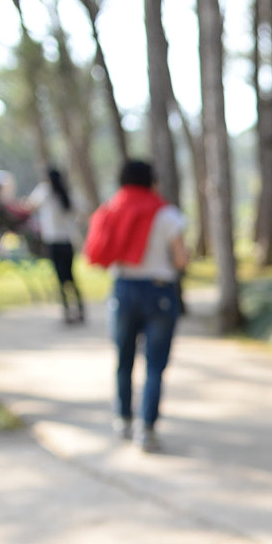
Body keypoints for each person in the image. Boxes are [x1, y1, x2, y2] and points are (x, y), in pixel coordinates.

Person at [83, 159, 188, 454]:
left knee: (124, 359)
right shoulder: (165, 213)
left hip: (124, 288)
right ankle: (148, 429)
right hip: (159, 291)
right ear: (151, 180)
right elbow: (180, 260)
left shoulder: (112, 208)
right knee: (155, 365)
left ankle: (123, 420)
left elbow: (98, 252)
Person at [27, 167, 85, 324]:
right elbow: (81, 209)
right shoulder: (68, 193)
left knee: (61, 278)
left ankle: (67, 310)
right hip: (67, 241)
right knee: (71, 276)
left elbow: (30, 205)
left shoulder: (45, 192)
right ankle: (79, 308)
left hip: (53, 242)